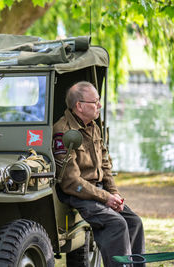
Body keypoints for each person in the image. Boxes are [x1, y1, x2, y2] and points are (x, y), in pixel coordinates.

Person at [53, 81, 145, 267]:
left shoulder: (93, 126)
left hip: (98, 191)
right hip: (78, 194)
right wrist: (106, 197)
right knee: (116, 224)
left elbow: (105, 164)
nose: (99, 105)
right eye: (95, 102)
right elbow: (71, 182)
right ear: (79, 106)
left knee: (134, 222)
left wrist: (114, 193)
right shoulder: (63, 132)